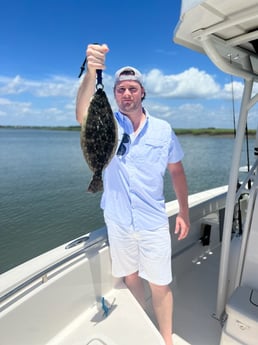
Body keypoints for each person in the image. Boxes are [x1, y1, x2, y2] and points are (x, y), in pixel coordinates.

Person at [76, 43, 190, 345]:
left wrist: (184, 212)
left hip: (153, 222)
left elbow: (177, 171)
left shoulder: (164, 130)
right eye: (121, 89)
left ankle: (165, 339)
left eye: (132, 89)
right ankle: (140, 332)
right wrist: (90, 73)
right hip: (119, 221)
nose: (126, 94)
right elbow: (81, 114)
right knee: (130, 278)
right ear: (115, 95)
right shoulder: (107, 122)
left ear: (142, 93)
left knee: (160, 284)